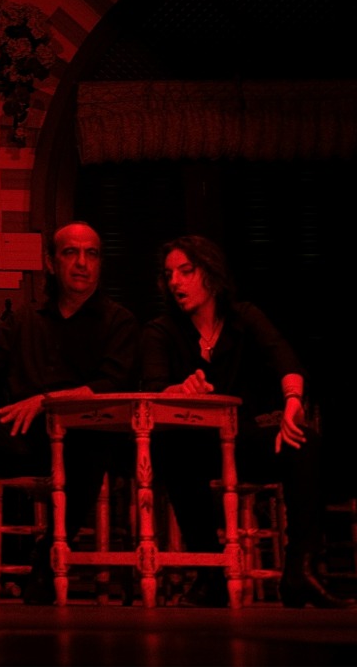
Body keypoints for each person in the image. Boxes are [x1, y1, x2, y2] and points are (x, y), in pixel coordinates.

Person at [0, 221, 139, 604]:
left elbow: (113, 385)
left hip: (83, 437)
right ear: (50, 262)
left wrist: (46, 401)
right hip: (25, 438)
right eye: (70, 252)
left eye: (91, 253)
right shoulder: (24, 319)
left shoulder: (118, 320)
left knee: (93, 443)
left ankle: (46, 559)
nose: (82, 263)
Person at [139, 234, 354, 609]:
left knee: (304, 442)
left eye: (186, 272)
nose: (175, 282)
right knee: (171, 451)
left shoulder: (244, 317)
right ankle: (209, 574)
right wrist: (181, 389)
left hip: (244, 438)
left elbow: (284, 357)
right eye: (169, 274)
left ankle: (300, 570)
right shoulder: (162, 331)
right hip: (194, 445)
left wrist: (292, 402)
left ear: (211, 274)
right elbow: (154, 389)